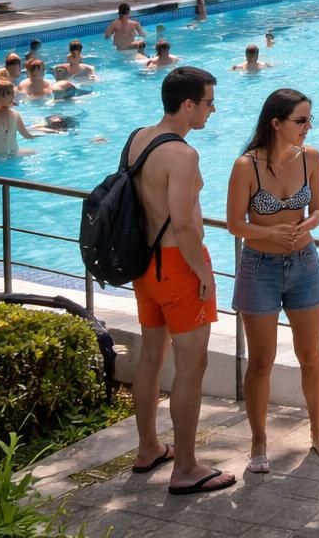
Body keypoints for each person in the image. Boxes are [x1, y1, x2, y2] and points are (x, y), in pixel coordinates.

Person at [128, 66, 237, 494]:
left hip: (145, 266)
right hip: (177, 265)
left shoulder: (139, 137)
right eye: (209, 103)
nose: (212, 110)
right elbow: (186, 224)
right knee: (192, 367)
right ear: (188, 104)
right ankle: (186, 467)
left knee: (152, 358)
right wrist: (204, 272)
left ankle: (147, 448)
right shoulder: (183, 155)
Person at [225, 89, 319, 474]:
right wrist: (271, 235)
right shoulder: (246, 166)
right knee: (261, 361)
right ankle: (258, 440)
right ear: (276, 122)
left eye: (309, 120)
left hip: (305, 262)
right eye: (300, 120)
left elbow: (318, 208)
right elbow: (234, 224)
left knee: (312, 356)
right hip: (260, 267)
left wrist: (308, 223)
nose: (308, 127)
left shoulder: (312, 158)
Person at [0, 81, 45, 156]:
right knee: (33, 152)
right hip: (13, 155)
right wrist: (42, 134)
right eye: (10, 93)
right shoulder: (15, 114)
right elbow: (27, 135)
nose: (13, 96)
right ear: (1, 95)